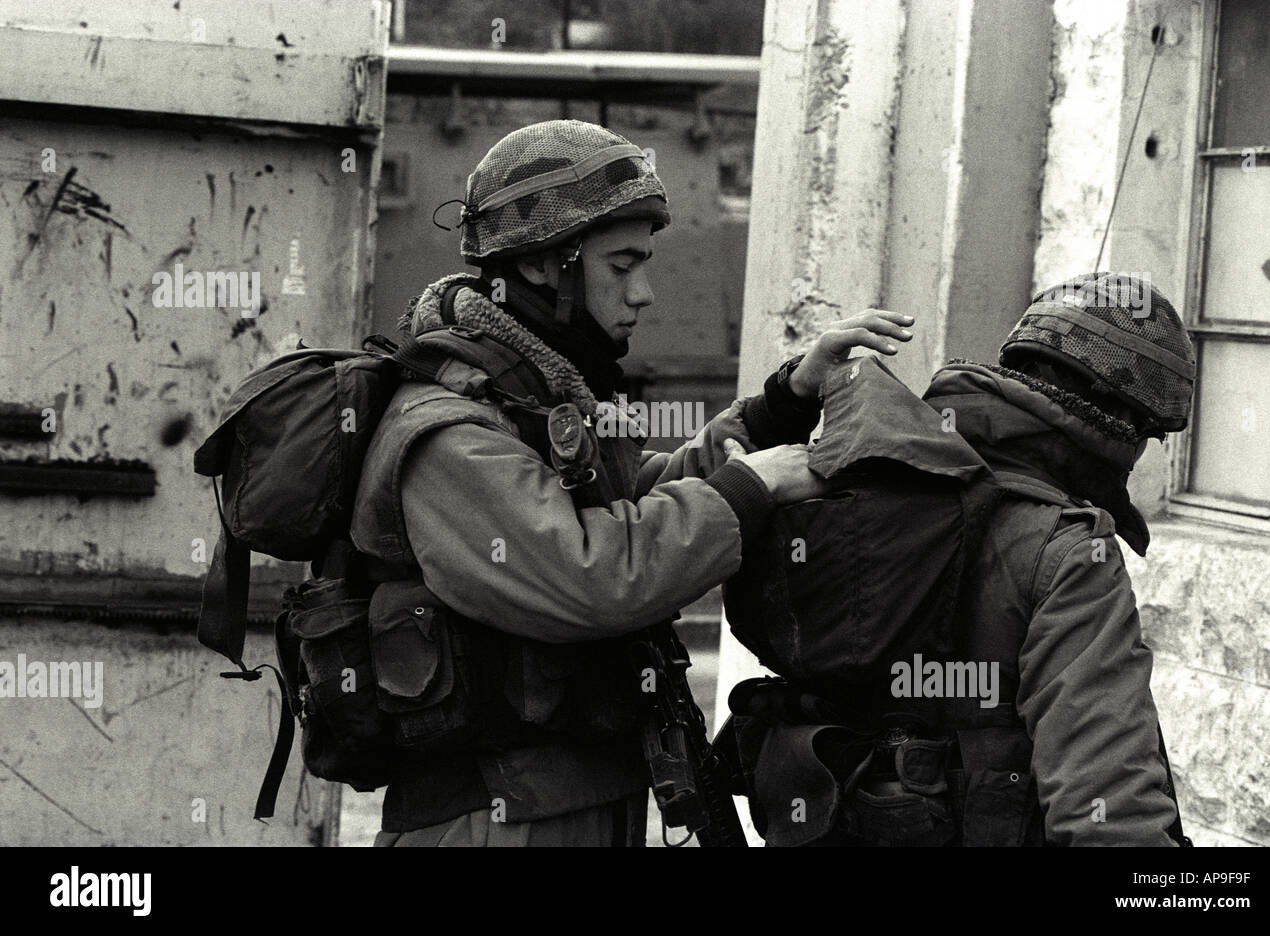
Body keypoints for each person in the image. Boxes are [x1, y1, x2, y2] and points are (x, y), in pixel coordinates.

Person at [349, 118, 914, 846]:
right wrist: (752, 488)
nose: (644, 293)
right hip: (488, 821)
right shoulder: (449, 432)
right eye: (621, 266)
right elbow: (594, 572)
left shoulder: (534, 396)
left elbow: (642, 504)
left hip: (567, 805)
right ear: (542, 266)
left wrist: (786, 402)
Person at [730, 271, 1196, 846]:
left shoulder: (850, 476)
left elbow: (651, 523)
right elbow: (1107, 806)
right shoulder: (1072, 552)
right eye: (1148, 435)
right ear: (1119, 421)